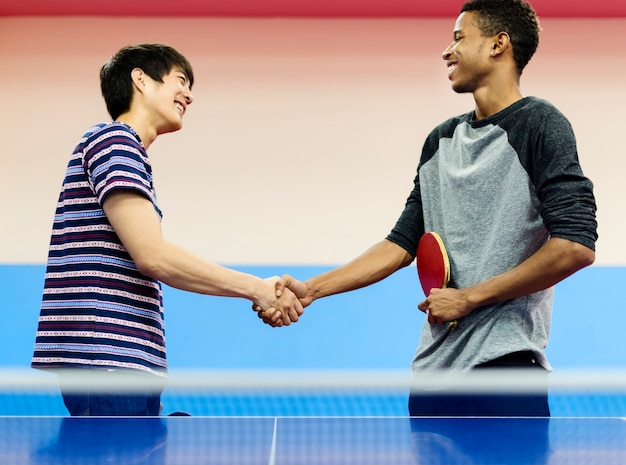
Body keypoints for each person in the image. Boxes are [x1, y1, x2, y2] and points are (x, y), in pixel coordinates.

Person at [259, 0, 597, 417]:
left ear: (498, 44)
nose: (446, 51)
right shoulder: (440, 142)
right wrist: (311, 290)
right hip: (432, 374)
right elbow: (402, 243)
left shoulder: (541, 124)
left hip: (504, 370)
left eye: (459, 38)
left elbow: (575, 244)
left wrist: (469, 298)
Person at [32, 44, 303, 416]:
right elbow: (153, 256)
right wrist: (256, 288)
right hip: (108, 359)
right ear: (140, 79)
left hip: (123, 359)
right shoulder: (116, 141)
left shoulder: (123, 149)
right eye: (180, 80)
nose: (189, 95)